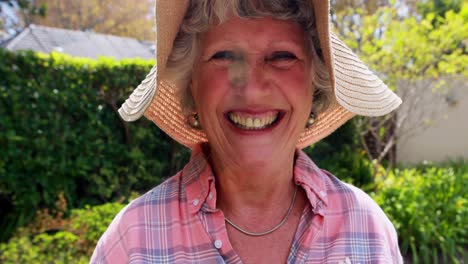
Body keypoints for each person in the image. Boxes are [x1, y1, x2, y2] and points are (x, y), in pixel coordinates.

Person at [91, 0, 403, 263]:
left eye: (282, 56)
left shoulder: (366, 227)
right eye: (224, 56)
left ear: (315, 80)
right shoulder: (134, 241)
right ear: (192, 84)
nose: (252, 88)